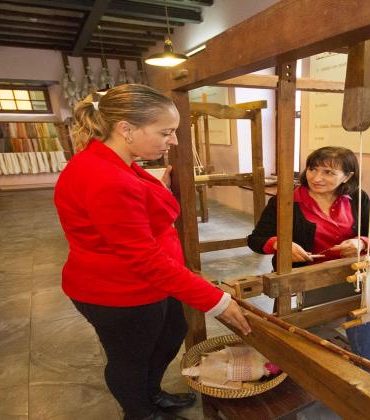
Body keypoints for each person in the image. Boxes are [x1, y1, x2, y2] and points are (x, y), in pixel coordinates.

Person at [54, 84, 251, 420]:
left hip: (150, 282)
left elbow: (131, 207)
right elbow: (142, 256)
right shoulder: (106, 177)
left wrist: (154, 186)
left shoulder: (116, 161)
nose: (172, 141)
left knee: (170, 333)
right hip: (117, 290)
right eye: (166, 132)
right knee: (130, 358)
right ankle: (140, 412)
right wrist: (217, 301)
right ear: (126, 129)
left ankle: (151, 394)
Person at [246, 146, 370, 372]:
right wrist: (281, 244)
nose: (316, 178)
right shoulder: (287, 201)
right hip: (308, 278)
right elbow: (255, 239)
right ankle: (369, 368)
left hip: (351, 271)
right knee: (363, 299)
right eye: (312, 169)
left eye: (328, 172)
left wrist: (361, 242)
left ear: (347, 176)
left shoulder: (357, 198)